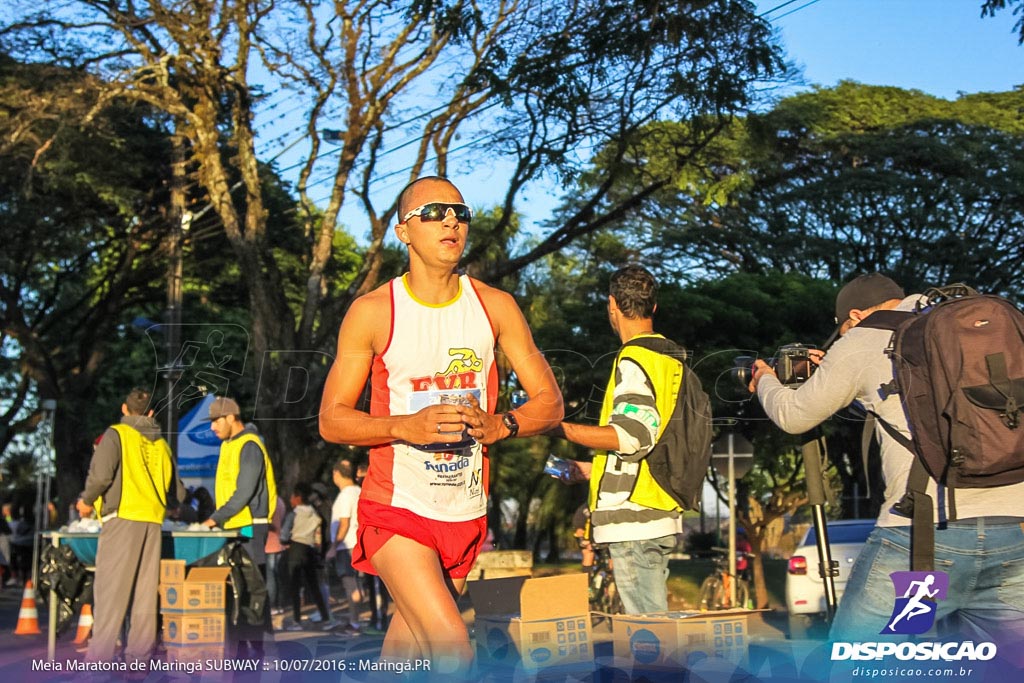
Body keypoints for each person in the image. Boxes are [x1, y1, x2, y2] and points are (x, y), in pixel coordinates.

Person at [319, 175, 564, 673]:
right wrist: (405, 426)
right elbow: (331, 419)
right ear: (403, 232)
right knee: (453, 645)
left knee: (403, 657)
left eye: (459, 212)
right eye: (433, 212)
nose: (450, 220)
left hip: (463, 510)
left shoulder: (495, 307)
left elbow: (550, 402)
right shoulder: (373, 312)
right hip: (397, 507)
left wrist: (504, 424)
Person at [747, 272, 1024, 651]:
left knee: (860, 658)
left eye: (843, 329)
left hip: (925, 541)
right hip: (1014, 536)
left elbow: (795, 416)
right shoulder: (963, 329)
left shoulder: (862, 341)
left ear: (856, 315)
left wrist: (765, 379)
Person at [549, 265, 681, 615]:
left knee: (651, 638)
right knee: (654, 628)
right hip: (657, 509)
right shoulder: (670, 358)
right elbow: (652, 439)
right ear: (653, 308)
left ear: (612, 305)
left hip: (635, 522)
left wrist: (556, 427)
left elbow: (632, 436)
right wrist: (594, 469)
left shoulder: (634, 359)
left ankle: (662, 674)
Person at [75, 387, 185, 665]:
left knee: (111, 593)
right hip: (152, 522)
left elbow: (100, 477)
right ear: (150, 413)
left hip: (122, 519)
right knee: (144, 595)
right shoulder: (161, 444)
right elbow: (178, 494)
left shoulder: (116, 434)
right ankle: (139, 660)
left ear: (124, 410)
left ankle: (98, 663)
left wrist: (86, 501)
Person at [201, 396, 278, 657]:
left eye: (216, 421)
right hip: (235, 525)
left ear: (232, 417)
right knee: (241, 585)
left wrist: (215, 518)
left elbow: (244, 491)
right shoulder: (230, 445)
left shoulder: (250, 445)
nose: (212, 427)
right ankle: (246, 642)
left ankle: (258, 644)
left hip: (249, 526)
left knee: (253, 583)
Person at [281, 483, 339, 631]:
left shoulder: (293, 514)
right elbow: (318, 534)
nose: (291, 499)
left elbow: (283, 535)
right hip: (311, 550)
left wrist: (287, 541)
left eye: (293, 497)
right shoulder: (314, 513)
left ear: (298, 498)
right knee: (314, 586)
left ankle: (296, 620)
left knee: (295, 586)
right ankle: (325, 616)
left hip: (295, 548)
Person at [327, 457, 363, 634]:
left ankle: (354, 623)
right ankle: (357, 621)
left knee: (351, 586)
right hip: (360, 543)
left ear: (336, 474)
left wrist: (333, 546)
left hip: (346, 545)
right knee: (359, 584)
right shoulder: (359, 491)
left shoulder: (344, 496)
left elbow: (344, 523)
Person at [265, 494, 287, 616]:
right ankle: (280, 604)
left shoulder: (266, 501)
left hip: (268, 544)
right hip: (279, 543)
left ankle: (272, 605)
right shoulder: (280, 501)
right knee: (278, 576)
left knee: (270, 577)